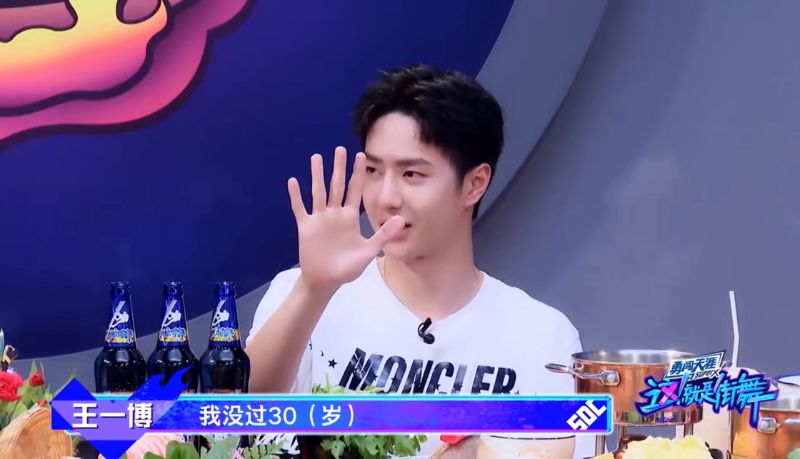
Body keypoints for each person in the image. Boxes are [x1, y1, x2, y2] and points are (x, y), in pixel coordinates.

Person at [245, 64, 591, 458]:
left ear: (475, 184)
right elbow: (233, 426)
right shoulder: (303, 294)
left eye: (411, 174)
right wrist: (313, 290)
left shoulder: (542, 336)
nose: (385, 198)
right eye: (373, 170)